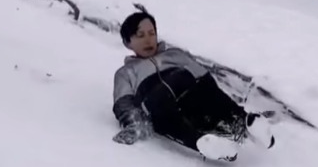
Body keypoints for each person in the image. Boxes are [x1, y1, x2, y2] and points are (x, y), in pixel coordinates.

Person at [111, 10, 273, 158]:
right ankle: (203, 142)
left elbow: (205, 81)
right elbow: (123, 104)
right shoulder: (126, 73)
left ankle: (244, 123)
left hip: (190, 99)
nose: (148, 40)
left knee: (199, 87)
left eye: (152, 33)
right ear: (127, 42)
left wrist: (223, 104)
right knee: (163, 104)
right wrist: (134, 124)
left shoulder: (175, 55)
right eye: (140, 35)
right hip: (160, 107)